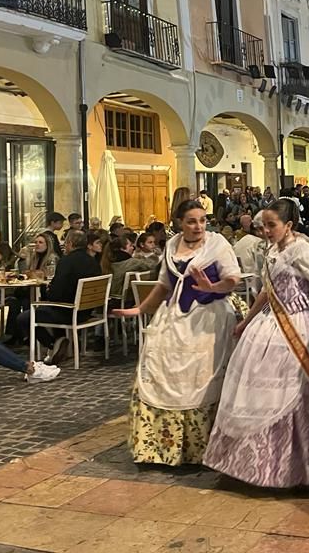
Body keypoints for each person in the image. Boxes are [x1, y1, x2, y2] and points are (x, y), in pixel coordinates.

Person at [204, 199, 309, 486]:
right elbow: (267, 290)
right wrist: (247, 320)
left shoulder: (301, 250)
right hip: (270, 323)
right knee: (257, 390)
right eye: (263, 225)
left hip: (302, 323)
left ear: (289, 225)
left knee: (295, 393)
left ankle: (300, 463)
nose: (265, 230)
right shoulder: (273, 249)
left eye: (271, 225)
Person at [111, 199, 242, 465]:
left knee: (201, 374)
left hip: (209, 316)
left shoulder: (217, 244)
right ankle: (160, 448)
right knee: (159, 367)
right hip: (174, 316)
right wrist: (140, 309)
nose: (199, 226)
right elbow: (163, 285)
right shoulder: (171, 246)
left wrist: (211, 287)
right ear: (180, 223)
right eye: (192, 221)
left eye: (203, 220)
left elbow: (233, 280)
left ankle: (203, 446)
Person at [19, 232, 105, 364]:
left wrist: (48, 291)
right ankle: (60, 343)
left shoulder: (66, 261)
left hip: (69, 312)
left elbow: (56, 294)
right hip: (87, 311)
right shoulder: (93, 262)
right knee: (50, 309)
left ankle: (53, 344)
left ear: (70, 244)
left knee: (24, 318)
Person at [101, 236, 155, 302]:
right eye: (130, 246)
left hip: (110, 298)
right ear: (122, 249)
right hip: (125, 299)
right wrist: (153, 255)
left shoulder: (107, 261)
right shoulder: (132, 262)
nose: (133, 248)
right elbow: (153, 265)